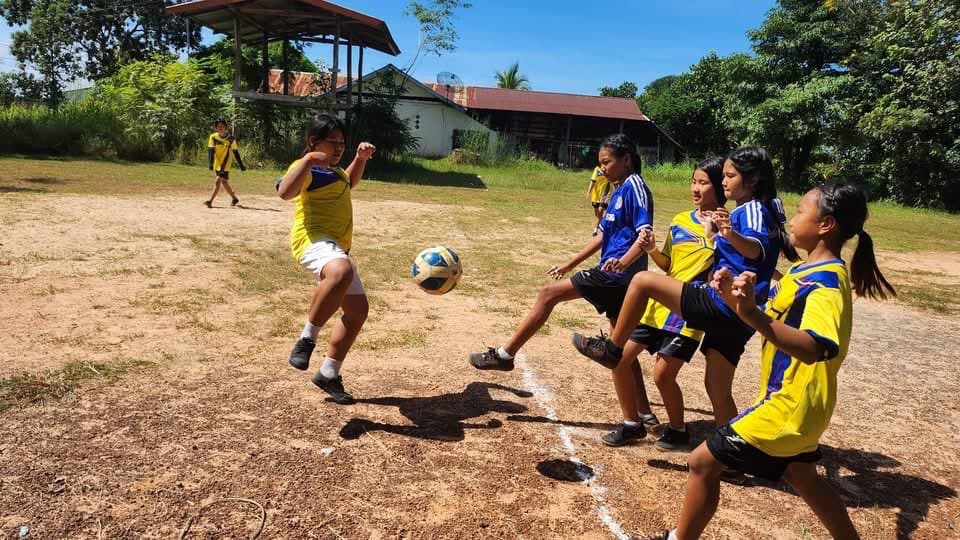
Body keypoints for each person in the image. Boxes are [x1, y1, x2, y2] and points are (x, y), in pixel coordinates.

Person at [642, 183, 895, 540]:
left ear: (825, 225)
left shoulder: (825, 283)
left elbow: (813, 346)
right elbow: (767, 319)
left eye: (800, 211)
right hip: (802, 405)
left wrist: (753, 315)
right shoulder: (802, 273)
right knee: (803, 478)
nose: (791, 219)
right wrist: (732, 300)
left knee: (701, 461)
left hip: (790, 406)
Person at [573, 147, 799, 428]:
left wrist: (728, 234)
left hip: (724, 305)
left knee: (642, 281)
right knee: (717, 388)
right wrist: (718, 237)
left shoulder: (750, 209)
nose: (725, 182)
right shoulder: (749, 210)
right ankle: (731, 455)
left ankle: (611, 348)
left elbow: (755, 250)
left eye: (729, 176)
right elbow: (748, 257)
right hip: (739, 314)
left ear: (752, 181)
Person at [468, 134, 661, 434]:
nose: (602, 169)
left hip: (617, 277)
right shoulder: (618, 190)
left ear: (626, 158)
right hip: (617, 276)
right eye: (600, 164)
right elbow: (601, 237)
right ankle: (640, 416)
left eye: (606, 163)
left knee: (548, 295)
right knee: (617, 350)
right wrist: (570, 263)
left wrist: (622, 263)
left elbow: (645, 236)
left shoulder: (635, 187)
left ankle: (505, 356)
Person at [604, 157, 725, 450]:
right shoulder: (681, 220)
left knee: (662, 375)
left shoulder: (727, 227)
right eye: (693, 181)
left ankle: (678, 429)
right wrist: (652, 249)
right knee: (618, 360)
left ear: (720, 185)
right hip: (657, 309)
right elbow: (669, 265)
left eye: (703, 182)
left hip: (688, 314)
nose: (695, 188)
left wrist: (719, 236)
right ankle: (632, 424)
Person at [276, 113, 377, 404]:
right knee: (341, 272)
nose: (337, 147)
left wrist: (360, 159)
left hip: (335, 248)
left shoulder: (335, 172)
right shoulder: (307, 167)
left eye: (341, 143)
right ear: (313, 142)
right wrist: (307, 161)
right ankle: (306, 339)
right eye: (331, 142)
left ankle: (329, 373)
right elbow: (285, 192)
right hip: (312, 240)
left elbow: (350, 182)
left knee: (357, 311)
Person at [204, 118, 246, 208]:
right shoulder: (213, 137)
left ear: (225, 127)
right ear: (216, 127)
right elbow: (210, 150)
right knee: (224, 182)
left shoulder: (231, 139)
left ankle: (210, 201)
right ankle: (234, 198)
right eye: (218, 126)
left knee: (218, 181)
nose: (220, 128)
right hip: (217, 162)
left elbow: (235, 152)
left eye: (222, 126)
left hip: (226, 163)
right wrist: (210, 163)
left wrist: (241, 165)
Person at [587, 165, 613, 236]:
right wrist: (589, 191)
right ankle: (599, 225)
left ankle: (595, 230)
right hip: (595, 194)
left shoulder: (609, 169)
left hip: (605, 193)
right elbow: (592, 181)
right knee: (597, 213)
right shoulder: (597, 170)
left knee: (600, 210)